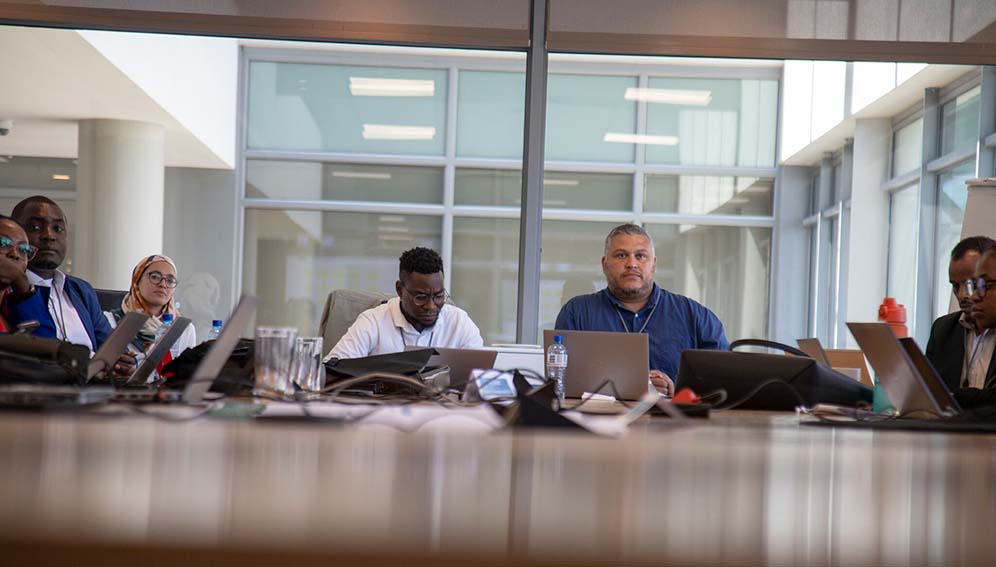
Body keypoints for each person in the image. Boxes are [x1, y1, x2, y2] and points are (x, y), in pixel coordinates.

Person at [555, 223, 729, 396]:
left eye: (640, 256)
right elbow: (560, 381)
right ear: (605, 264)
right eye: (621, 255)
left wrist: (675, 390)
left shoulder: (695, 316)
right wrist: (631, 385)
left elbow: (723, 383)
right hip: (595, 420)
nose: (632, 264)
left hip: (672, 421)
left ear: (654, 265)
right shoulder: (576, 313)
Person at [326, 247, 483, 360]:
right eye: (421, 297)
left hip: (445, 405)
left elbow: (482, 377)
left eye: (438, 296)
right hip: (385, 405)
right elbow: (333, 369)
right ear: (400, 290)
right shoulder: (373, 321)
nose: (431, 305)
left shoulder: (459, 321)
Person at [5, 196, 114, 353]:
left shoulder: (81, 290)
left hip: (92, 376)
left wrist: (119, 361)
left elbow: (108, 347)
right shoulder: (7, 290)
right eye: (35, 227)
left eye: (58, 229)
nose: (49, 235)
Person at [105, 255, 197, 378]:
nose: (163, 284)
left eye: (170, 280)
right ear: (137, 280)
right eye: (155, 277)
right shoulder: (109, 321)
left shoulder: (184, 329)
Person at [926, 236, 996, 393]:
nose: (964, 295)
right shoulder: (943, 330)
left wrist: (952, 398)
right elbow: (928, 394)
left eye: (973, 284)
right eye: (956, 286)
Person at [0, 215, 45, 332]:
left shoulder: (15, 304)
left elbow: (45, 342)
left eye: (24, 249)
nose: (15, 254)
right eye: (2, 244)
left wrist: (24, 292)